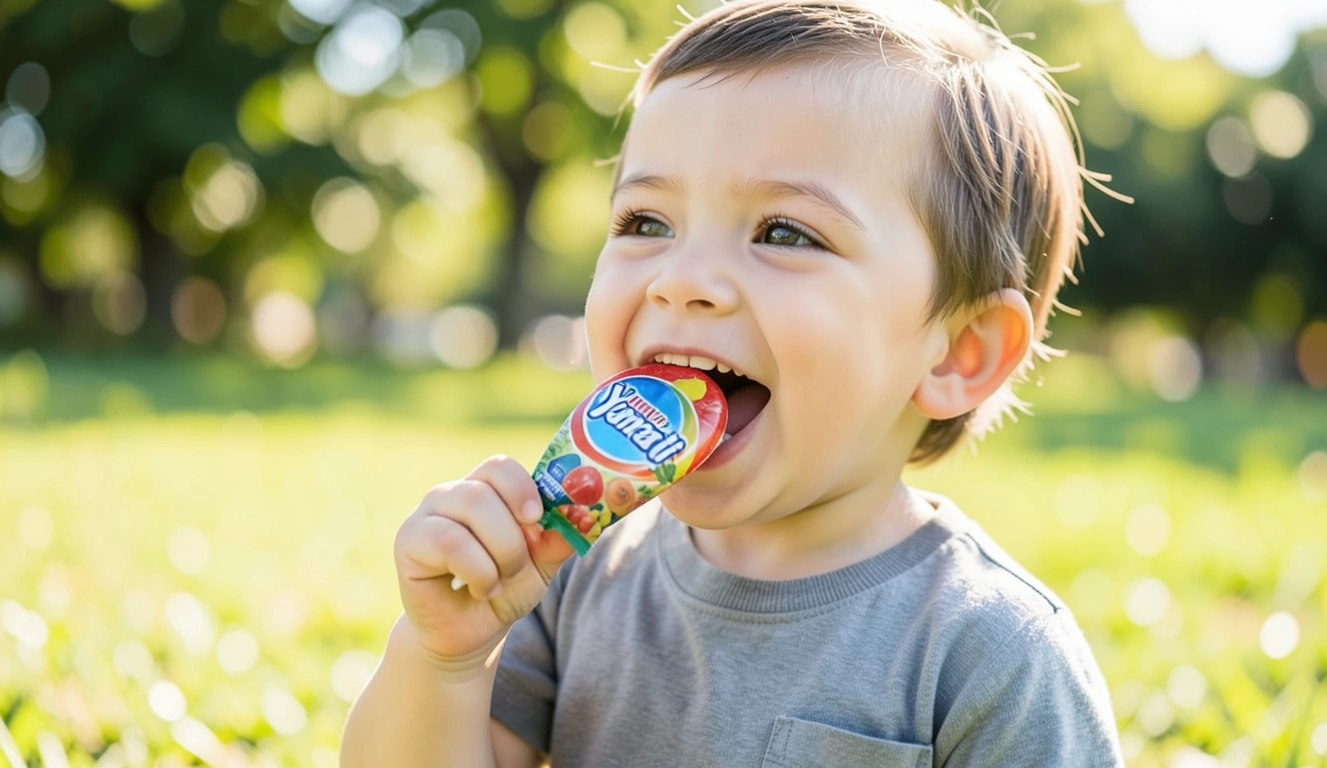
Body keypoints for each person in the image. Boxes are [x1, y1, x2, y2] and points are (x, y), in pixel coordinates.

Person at [341, 0, 1126, 765]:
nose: (682, 280)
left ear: (960, 351)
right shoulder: (565, 571)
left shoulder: (988, 654)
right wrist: (442, 659)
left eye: (784, 232)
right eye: (646, 223)